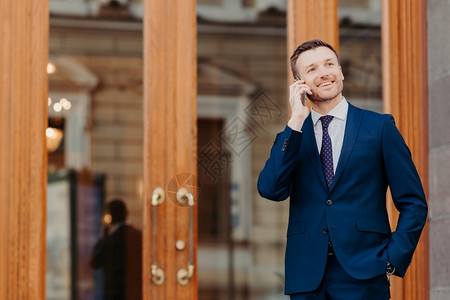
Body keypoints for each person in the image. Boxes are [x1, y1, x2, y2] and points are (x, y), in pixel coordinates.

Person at [257, 39, 427, 299]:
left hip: (364, 271)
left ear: (340, 71)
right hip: (306, 276)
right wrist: (295, 121)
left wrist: (393, 258)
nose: (323, 72)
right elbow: (270, 189)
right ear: (299, 83)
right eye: (311, 69)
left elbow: (413, 202)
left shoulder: (379, 127)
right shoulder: (292, 136)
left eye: (329, 64)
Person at [90, 199, 142, 300]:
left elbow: (94, 262)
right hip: (135, 292)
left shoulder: (111, 239)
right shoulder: (138, 235)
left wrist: (103, 235)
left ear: (110, 216)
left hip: (116, 292)